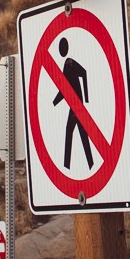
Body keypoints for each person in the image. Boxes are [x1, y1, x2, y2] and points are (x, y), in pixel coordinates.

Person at [52, 37, 94, 169]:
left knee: (70, 131)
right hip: (75, 105)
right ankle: (90, 164)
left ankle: (67, 166)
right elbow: (64, 90)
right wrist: (54, 102)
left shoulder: (69, 63)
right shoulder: (66, 64)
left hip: (77, 105)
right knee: (82, 134)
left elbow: (84, 73)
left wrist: (86, 97)